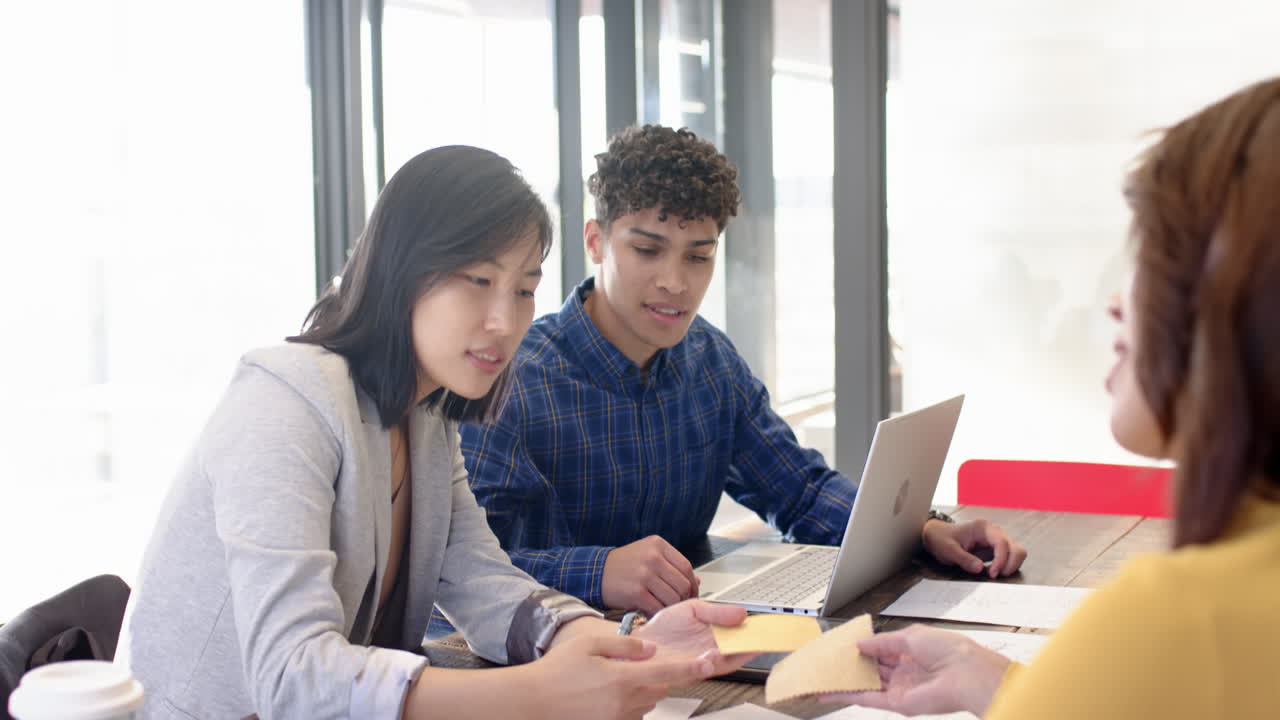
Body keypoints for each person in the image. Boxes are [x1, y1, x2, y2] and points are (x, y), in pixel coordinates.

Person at [118, 145, 753, 720]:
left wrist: (626, 648)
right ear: (404, 269)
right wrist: (543, 694)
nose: (505, 322)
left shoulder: (426, 417)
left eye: (525, 289)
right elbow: (292, 678)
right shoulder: (284, 400)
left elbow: (486, 584)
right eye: (478, 282)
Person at [823, 77, 1280, 719]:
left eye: (1151, 258)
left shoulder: (1177, 623)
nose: (1118, 300)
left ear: (1240, 305)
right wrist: (1000, 683)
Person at [458, 125, 1027, 616]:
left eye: (698, 256)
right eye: (648, 250)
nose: (675, 282)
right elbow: (470, 569)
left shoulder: (710, 361)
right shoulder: (511, 381)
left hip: (690, 648)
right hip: (544, 668)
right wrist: (600, 572)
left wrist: (924, 530)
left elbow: (799, 491)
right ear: (596, 242)